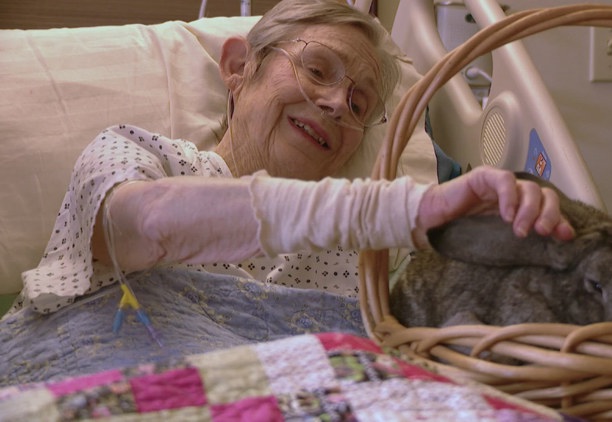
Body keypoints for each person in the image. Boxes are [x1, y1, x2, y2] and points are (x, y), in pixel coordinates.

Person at [1, 0, 573, 383]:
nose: (334, 105)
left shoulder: (361, 256)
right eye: (318, 70)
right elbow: (146, 224)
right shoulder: (137, 154)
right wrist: (412, 207)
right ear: (238, 69)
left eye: (359, 105)